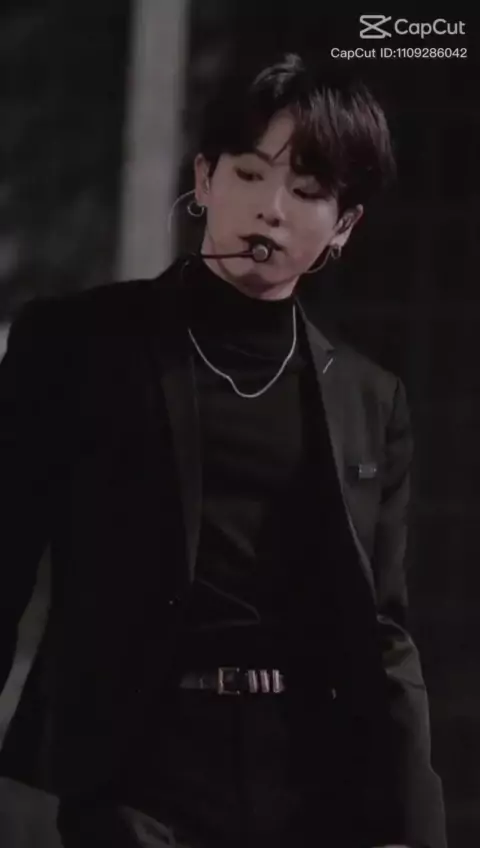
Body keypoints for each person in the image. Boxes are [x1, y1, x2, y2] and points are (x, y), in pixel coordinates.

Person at [0, 51, 446, 848]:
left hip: (307, 780)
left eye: (306, 191)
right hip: (130, 769)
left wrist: (415, 828)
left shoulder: (369, 400)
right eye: (248, 174)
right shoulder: (78, 345)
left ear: (343, 226)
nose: (270, 209)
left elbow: (383, 630)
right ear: (204, 179)